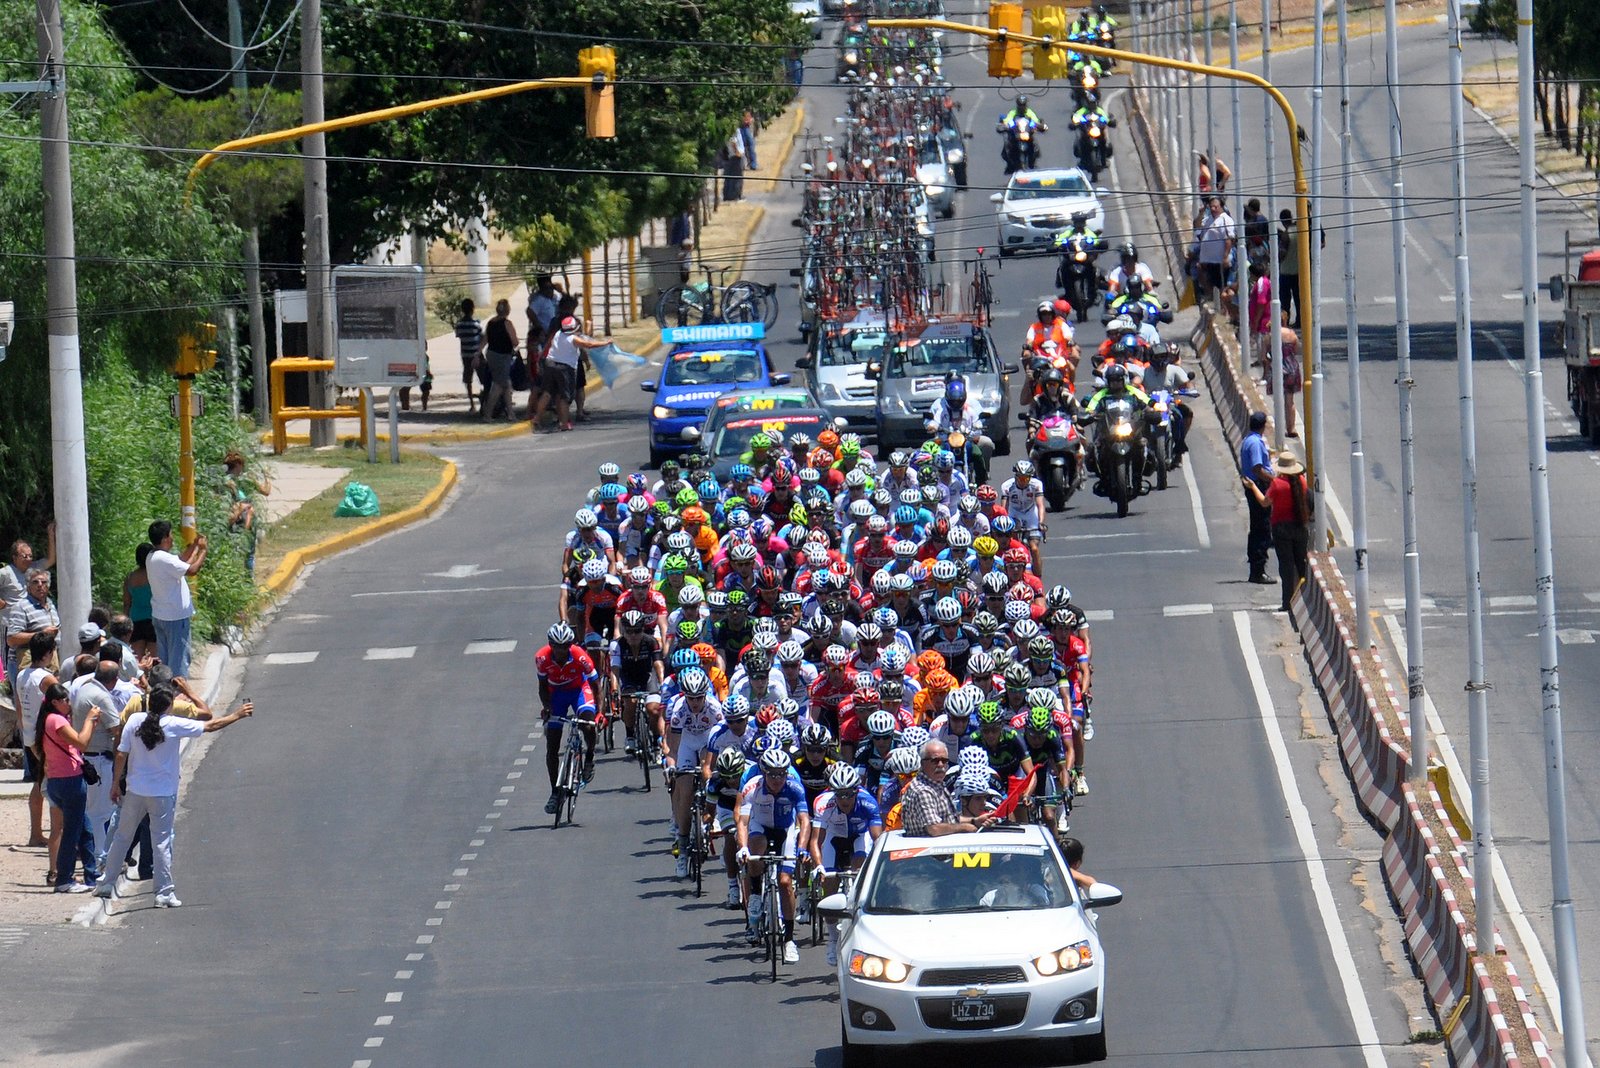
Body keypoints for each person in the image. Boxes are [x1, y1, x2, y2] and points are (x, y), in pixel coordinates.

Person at [93, 691, 253, 907]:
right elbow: (210, 726)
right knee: (161, 841)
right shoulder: (173, 723)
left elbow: (121, 753)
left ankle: (106, 883)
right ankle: (163, 892)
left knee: (122, 836)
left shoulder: (134, 720)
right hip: (162, 794)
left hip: (135, 791)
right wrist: (237, 715)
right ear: (169, 706)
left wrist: (114, 785)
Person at [35, 682, 102, 892]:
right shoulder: (56, 720)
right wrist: (90, 720)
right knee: (72, 832)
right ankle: (64, 879)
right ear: (55, 702)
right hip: (68, 780)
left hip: (60, 780)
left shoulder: (51, 719)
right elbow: (82, 743)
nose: (68, 703)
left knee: (85, 829)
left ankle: (91, 876)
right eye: (65, 700)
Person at [537, 622, 600, 813]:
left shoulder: (580, 656)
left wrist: (599, 713)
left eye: (565, 646)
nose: (561, 650)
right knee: (552, 746)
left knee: (588, 725)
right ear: (551, 644)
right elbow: (541, 687)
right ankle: (555, 792)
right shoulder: (541, 657)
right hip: (556, 694)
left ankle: (589, 757)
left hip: (579, 690)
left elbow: (596, 685)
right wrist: (547, 707)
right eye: (557, 646)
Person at [1244, 450, 1312, 612]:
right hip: (1300, 527)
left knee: (1286, 567)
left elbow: (1264, 503)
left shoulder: (1277, 484)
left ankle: (1287, 602)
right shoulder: (1302, 482)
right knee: (1301, 564)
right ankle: (1305, 598)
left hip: (1281, 529)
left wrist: (1253, 487)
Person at [145, 520, 207, 680]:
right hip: (175, 618)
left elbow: (180, 560)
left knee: (165, 663)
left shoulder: (153, 557)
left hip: (161, 616)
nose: (173, 538)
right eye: (171, 535)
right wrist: (203, 551)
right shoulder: (164, 559)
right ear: (165, 538)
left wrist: (194, 546)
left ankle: (165, 694)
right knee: (178, 663)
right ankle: (178, 697)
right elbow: (192, 569)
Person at [532, 316, 611, 434]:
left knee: (547, 393)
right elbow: (589, 344)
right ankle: (564, 424)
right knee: (564, 396)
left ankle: (537, 418)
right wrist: (606, 342)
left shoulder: (558, 333)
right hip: (564, 369)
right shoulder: (573, 339)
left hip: (550, 364)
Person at [900, 740, 993, 836]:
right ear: (922, 763)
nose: (940, 765)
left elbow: (949, 819)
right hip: (928, 849)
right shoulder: (923, 791)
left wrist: (974, 821)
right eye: (935, 761)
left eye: (944, 761)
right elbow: (934, 828)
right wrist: (964, 827)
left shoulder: (936, 784)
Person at [1238, 412, 1276, 585]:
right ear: (1263, 425)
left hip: (1255, 486)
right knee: (1262, 527)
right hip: (1257, 487)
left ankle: (1257, 567)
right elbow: (1257, 469)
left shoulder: (1250, 440)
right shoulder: (1254, 443)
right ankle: (1258, 570)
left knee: (1259, 527)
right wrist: (1274, 480)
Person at [223, 451, 271, 575]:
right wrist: (267, 477)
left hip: (236, 521)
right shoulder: (245, 480)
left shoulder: (225, 481)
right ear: (238, 465)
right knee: (249, 554)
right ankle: (248, 581)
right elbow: (266, 491)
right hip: (242, 521)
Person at [481, 298, 520, 423]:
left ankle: (510, 413)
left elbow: (485, 339)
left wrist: (477, 353)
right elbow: (515, 341)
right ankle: (488, 413)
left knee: (506, 384)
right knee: (498, 385)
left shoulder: (491, 322)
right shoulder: (507, 323)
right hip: (502, 357)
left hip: (492, 354)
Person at [1193, 197, 1235, 304]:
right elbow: (1197, 225)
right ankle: (1212, 299)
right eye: (1211, 206)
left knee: (1221, 287)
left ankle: (1222, 309)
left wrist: (1225, 257)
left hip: (1219, 260)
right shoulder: (1208, 219)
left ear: (1221, 207)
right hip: (1207, 259)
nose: (1213, 209)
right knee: (1203, 275)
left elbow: (1229, 240)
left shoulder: (1225, 220)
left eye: (1215, 206)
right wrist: (1201, 213)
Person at [121, 543, 157, 658]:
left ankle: (139, 676)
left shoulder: (130, 577)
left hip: (136, 619)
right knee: (154, 658)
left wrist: (125, 624)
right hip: (154, 618)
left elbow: (126, 603)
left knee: (137, 658)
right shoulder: (154, 576)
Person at [1266, 325, 1302, 438]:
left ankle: (1279, 429)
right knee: (1290, 401)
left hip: (1277, 369)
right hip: (1292, 369)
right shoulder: (1292, 335)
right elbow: (1297, 351)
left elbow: (1264, 355)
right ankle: (1291, 428)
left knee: (1277, 400)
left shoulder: (1269, 336)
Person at [453, 298, 484, 415]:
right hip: (477, 355)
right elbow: (482, 337)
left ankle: (472, 404)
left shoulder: (459, 325)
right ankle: (484, 399)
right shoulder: (476, 324)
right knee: (484, 377)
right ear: (472, 309)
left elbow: (458, 335)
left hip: (465, 355)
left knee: (468, 379)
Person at [1277, 209, 1301, 328]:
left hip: (1286, 271)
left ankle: (1285, 322)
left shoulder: (1286, 235)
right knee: (1298, 298)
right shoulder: (1299, 230)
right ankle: (1300, 320)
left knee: (1285, 301)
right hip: (1299, 270)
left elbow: (1282, 254)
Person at [722, 127, 746, 202]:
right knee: (737, 177)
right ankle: (736, 196)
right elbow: (733, 141)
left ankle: (728, 196)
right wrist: (737, 152)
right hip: (736, 155)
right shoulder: (734, 128)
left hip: (731, 155)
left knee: (729, 177)